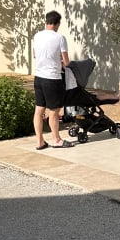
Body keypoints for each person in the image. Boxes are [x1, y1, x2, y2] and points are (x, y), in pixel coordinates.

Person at [32, 10, 74, 150]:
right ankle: (56, 140)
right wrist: (59, 61)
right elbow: (66, 62)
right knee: (54, 112)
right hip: (52, 79)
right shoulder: (60, 38)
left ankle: (40, 141)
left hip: (38, 78)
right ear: (57, 24)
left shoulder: (37, 36)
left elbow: (35, 55)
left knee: (39, 111)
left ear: (46, 21)